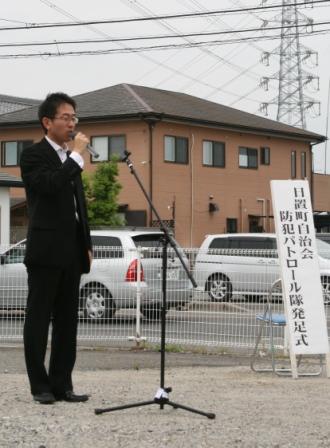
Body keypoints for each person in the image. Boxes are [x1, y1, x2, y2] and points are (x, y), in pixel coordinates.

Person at [20, 92, 92, 404]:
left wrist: (86, 244)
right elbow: (48, 186)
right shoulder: (33, 155)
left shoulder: (70, 159)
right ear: (47, 122)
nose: (72, 123)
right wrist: (75, 157)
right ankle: (40, 386)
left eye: (74, 118)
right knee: (39, 319)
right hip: (45, 250)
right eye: (66, 117)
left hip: (71, 251)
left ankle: (62, 384)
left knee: (67, 321)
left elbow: (79, 208)